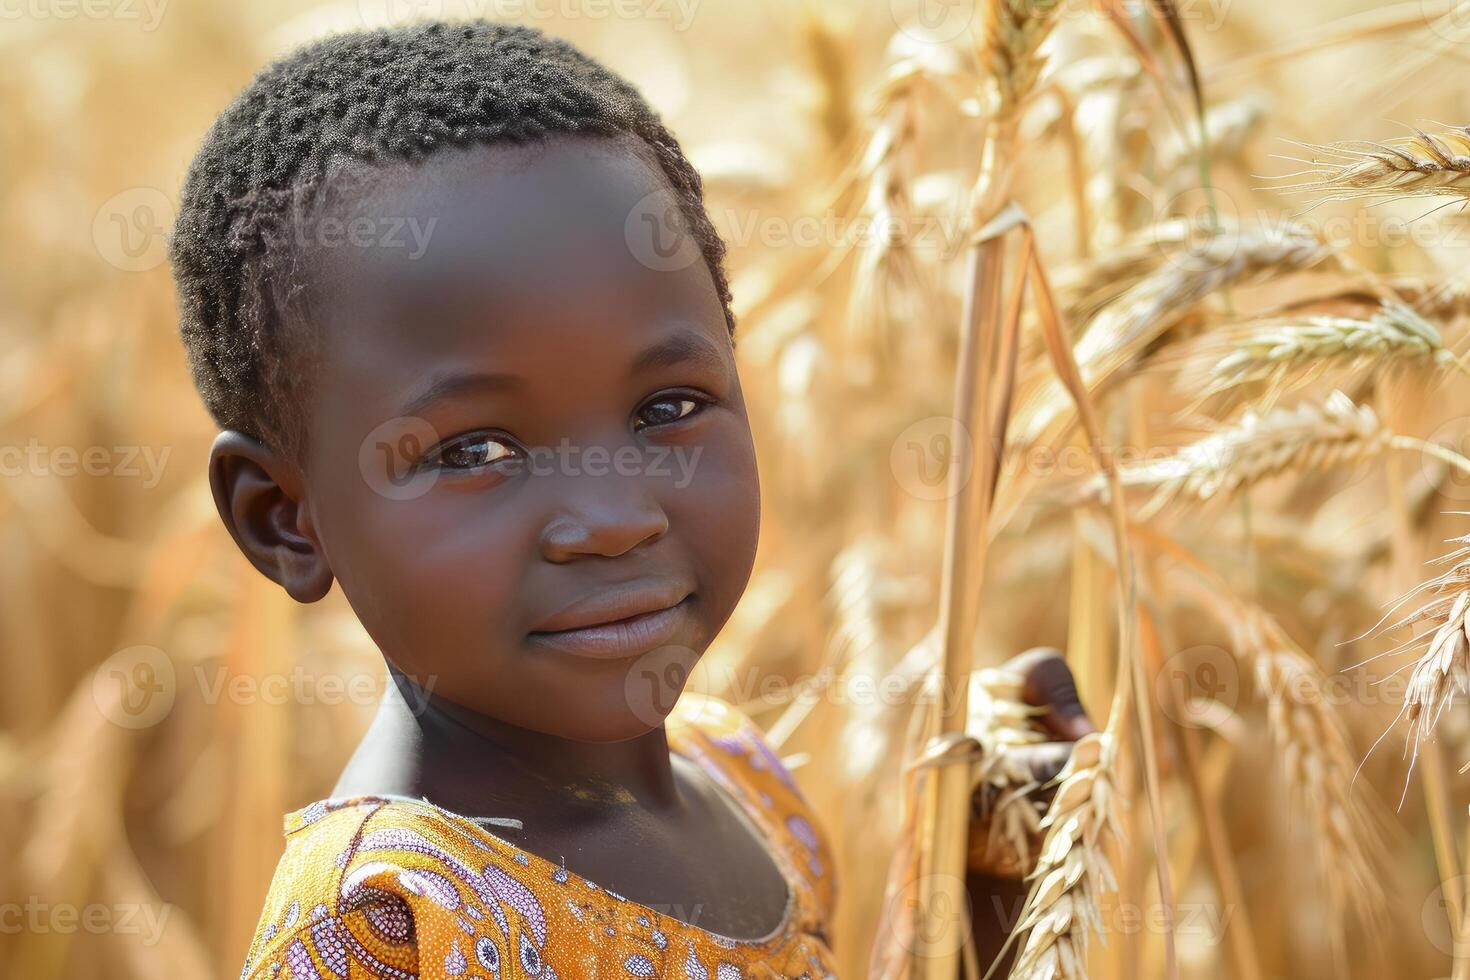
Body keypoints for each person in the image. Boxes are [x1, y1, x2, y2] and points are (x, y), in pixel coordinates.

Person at [167, 21, 1091, 979]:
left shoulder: (745, 785)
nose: (613, 518)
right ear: (284, 517)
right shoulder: (382, 924)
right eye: (475, 447)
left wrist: (984, 884)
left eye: (667, 406)